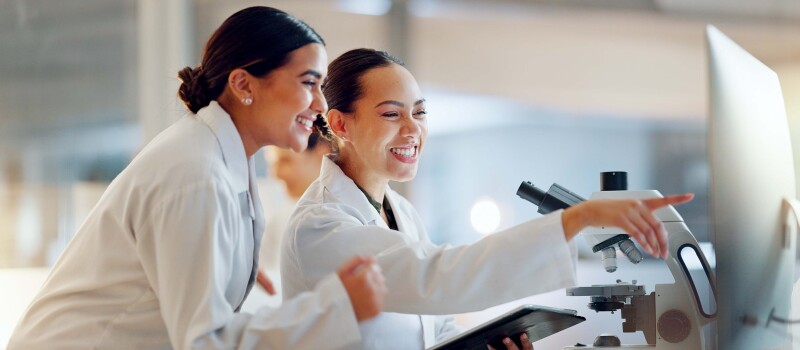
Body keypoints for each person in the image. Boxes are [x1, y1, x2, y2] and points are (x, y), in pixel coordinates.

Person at [8, 7, 386, 349]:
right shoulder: (197, 173)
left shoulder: (217, 159)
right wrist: (336, 308)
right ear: (243, 85)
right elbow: (205, 342)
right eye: (308, 83)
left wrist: (226, 266)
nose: (321, 104)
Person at [280, 48, 694, 349]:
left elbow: (432, 326)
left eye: (420, 113)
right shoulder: (321, 226)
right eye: (391, 114)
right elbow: (437, 278)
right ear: (340, 124)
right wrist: (577, 218)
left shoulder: (399, 211)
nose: (412, 130)